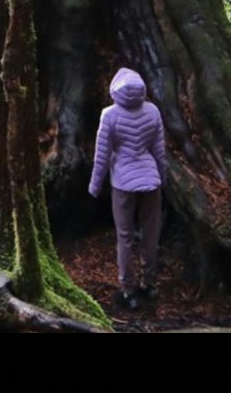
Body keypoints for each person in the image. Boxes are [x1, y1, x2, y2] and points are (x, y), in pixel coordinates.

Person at [88, 66, 169, 310]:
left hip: (123, 182)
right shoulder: (152, 111)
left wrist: (94, 185)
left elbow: (102, 156)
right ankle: (150, 284)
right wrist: (162, 177)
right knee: (150, 234)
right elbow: (159, 151)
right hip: (150, 180)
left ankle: (128, 290)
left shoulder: (109, 115)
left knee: (125, 237)